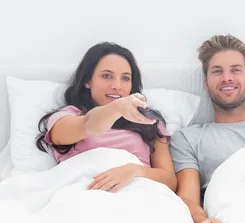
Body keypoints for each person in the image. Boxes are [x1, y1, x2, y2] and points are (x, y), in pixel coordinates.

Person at [169, 34, 245, 223]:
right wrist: (202, 221)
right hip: (236, 219)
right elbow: (188, 198)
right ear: (206, 83)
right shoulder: (188, 138)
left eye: (236, 70)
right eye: (217, 71)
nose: (227, 78)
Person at [36, 42, 177, 193]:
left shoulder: (149, 122)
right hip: (83, 192)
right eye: (107, 76)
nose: (117, 85)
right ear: (87, 81)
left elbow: (169, 180)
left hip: (138, 192)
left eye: (125, 78)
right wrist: (116, 108)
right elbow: (88, 125)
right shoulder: (67, 116)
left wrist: (134, 171)